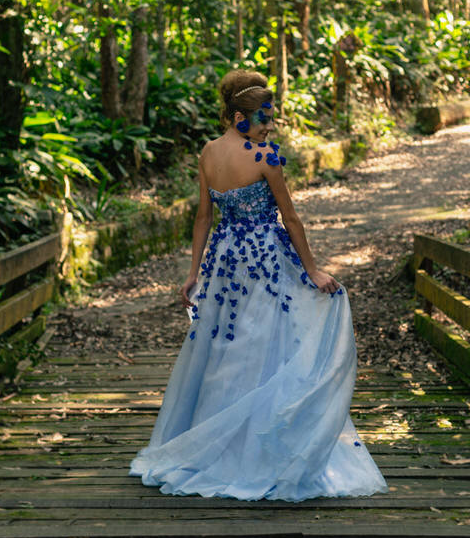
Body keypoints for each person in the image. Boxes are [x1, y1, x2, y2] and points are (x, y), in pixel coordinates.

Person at [128, 70, 387, 501]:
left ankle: (226, 445)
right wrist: (313, 270)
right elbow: (291, 218)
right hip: (265, 263)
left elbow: (204, 219)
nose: (269, 126)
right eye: (263, 117)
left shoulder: (208, 154)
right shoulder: (265, 156)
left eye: (270, 118)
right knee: (268, 347)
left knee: (227, 353)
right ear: (236, 116)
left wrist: (194, 274)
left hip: (224, 265)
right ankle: (257, 451)